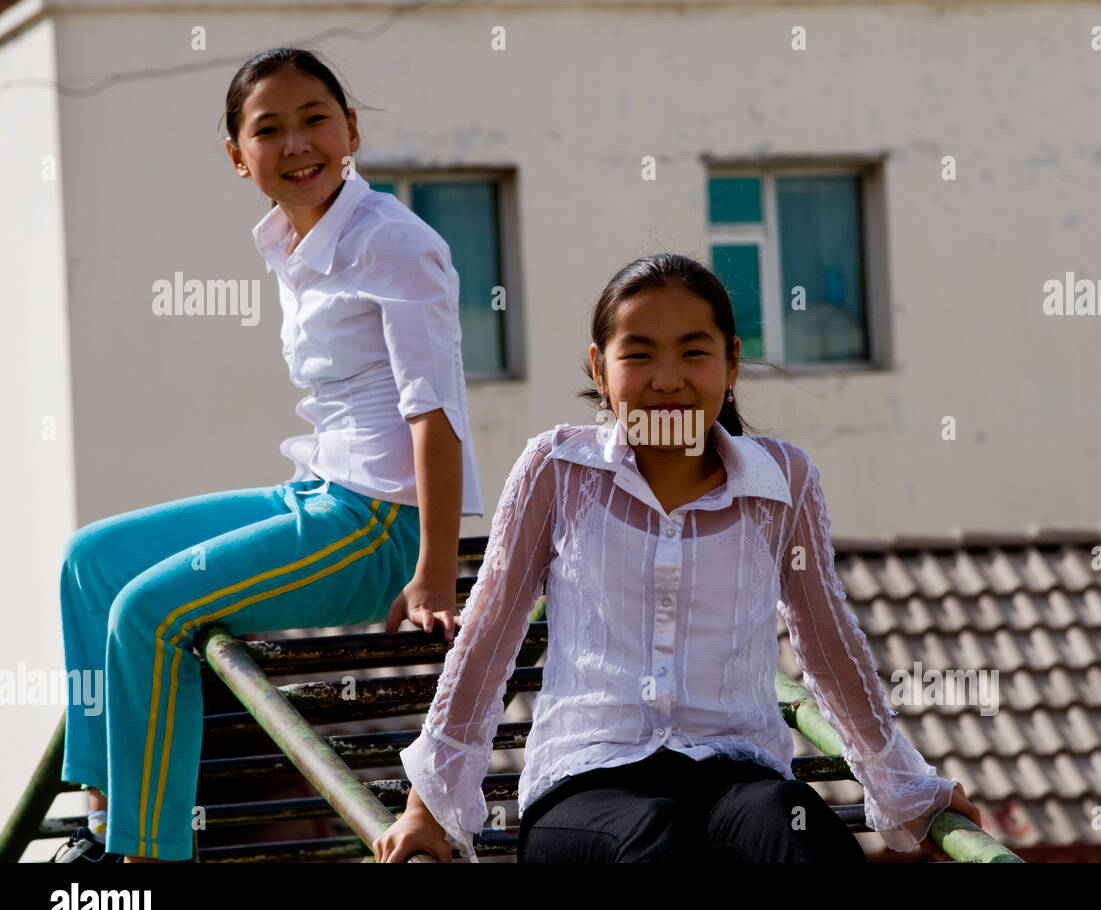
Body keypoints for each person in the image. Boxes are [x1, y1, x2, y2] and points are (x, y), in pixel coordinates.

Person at [373, 253, 978, 864]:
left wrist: (907, 790)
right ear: (599, 369)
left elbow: (827, 646)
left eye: (694, 352)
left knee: (794, 827)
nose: (667, 379)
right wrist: (427, 805)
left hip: (737, 776)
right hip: (585, 784)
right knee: (655, 838)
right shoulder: (557, 470)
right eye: (637, 355)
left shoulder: (783, 481)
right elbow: (490, 633)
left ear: (732, 363)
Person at [54, 47, 483, 863]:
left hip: (380, 522)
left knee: (148, 615)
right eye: (269, 129)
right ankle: (104, 810)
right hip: (321, 490)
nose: (296, 145)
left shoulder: (392, 241)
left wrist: (432, 567)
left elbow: (436, 410)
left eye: (316, 119)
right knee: (91, 560)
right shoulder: (293, 239)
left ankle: (145, 858)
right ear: (237, 155)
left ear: (351, 129)